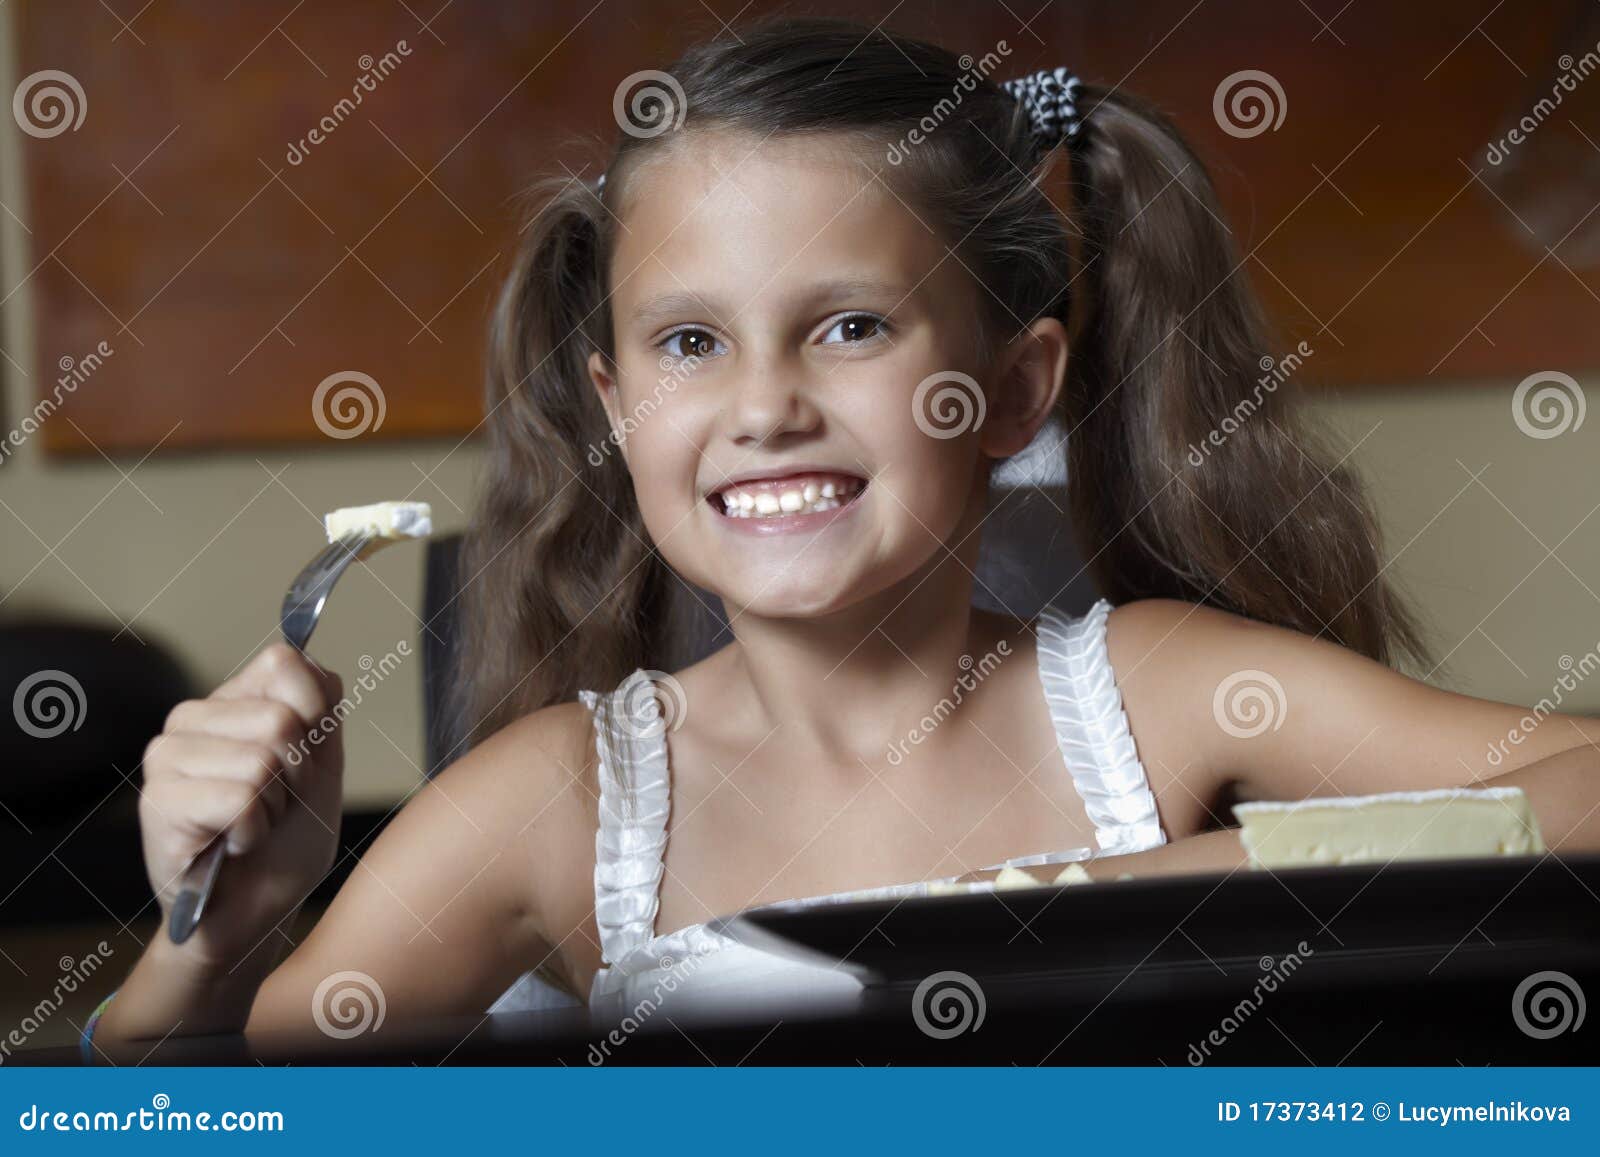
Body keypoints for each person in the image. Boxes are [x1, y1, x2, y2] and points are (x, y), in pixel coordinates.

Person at [93, 16, 1600, 1047]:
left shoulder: (1157, 695)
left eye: (853, 326)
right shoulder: (558, 803)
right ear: (617, 407)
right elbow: (203, 1117)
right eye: (691, 344)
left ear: (1011, 389)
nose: (765, 406)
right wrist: (209, 943)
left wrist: (1103, 899)